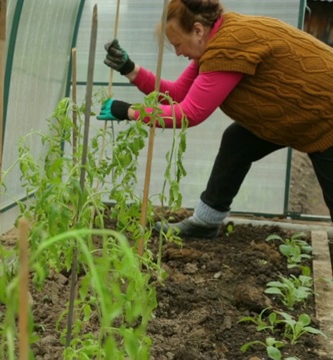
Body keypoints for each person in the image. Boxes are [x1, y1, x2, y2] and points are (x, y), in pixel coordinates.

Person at [97, 0, 333, 238]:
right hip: (299, 115)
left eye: (177, 43)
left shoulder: (227, 48)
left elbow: (188, 114)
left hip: (326, 116)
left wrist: (129, 112)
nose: (178, 52)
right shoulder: (216, 40)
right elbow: (178, 94)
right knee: (237, 141)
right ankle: (205, 222)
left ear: (198, 30)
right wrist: (131, 70)